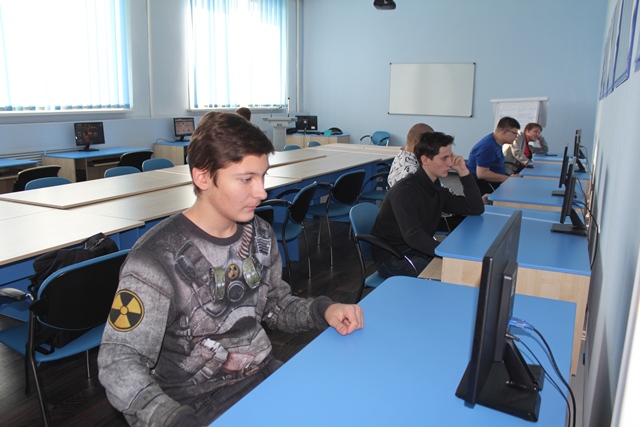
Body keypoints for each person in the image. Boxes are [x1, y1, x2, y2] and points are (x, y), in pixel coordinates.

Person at [98, 112, 364, 426]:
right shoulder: (155, 258)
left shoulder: (260, 233)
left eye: (263, 176)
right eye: (246, 179)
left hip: (263, 377)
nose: (262, 192)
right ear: (202, 177)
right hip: (194, 406)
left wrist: (324, 311)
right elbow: (119, 362)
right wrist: (169, 419)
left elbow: (274, 306)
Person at [371, 131, 484, 278]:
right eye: (444, 158)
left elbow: (475, 208)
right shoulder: (405, 191)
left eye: (450, 156)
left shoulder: (434, 187)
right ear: (425, 160)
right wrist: (448, 253)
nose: (450, 163)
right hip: (393, 258)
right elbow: (414, 236)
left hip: (416, 251)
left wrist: (463, 172)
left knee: (460, 271)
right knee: (451, 275)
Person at [466, 116, 522, 195]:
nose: (516, 137)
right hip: (483, 184)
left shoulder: (496, 142)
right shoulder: (488, 146)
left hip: (493, 181)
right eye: (515, 133)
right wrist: (509, 179)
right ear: (504, 132)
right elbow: (482, 174)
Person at [387, 123, 434, 187]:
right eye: (430, 144)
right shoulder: (411, 171)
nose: (432, 149)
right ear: (419, 143)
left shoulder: (401, 156)